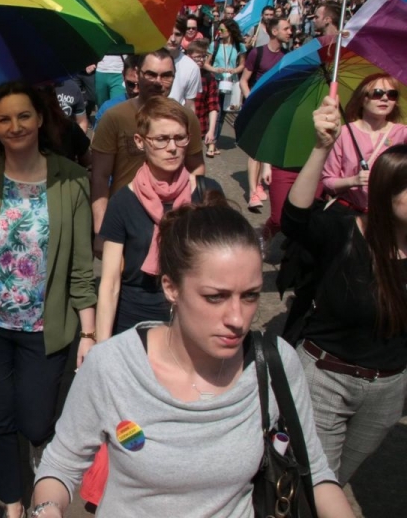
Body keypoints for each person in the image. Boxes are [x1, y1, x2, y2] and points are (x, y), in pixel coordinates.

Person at [29, 202, 355, 518]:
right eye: (215, 297)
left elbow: (316, 472)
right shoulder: (112, 365)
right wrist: (48, 508)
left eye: (250, 295)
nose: (237, 319)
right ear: (171, 288)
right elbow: (60, 465)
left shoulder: (274, 364)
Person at [0, 81, 97, 518]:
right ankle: (13, 503)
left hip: (46, 328)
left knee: (36, 421)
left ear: (40, 118)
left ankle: (42, 456)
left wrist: (89, 333)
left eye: (24, 115)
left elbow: (81, 265)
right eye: (4, 119)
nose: (15, 126)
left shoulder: (71, 179)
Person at [283, 95, 407, 485]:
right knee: (316, 484)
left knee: (336, 481)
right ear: (386, 191)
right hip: (325, 378)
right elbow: (295, 219)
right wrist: (322, 147)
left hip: (387, 392)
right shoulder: (343, 230)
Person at [97, 96, 223, 339]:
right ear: (140, 141)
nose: (172, 147)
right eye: (162, 139)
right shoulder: (122, 202)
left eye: (179, 137)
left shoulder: (207, 193)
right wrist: (102, 347)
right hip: (135, 322)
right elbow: (110, 282)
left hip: (194, 319)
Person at [91, 50, 205, 256]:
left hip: (174, 217)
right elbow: (100, 175)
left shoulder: (186, 118)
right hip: (126, 217)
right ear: (137, 74)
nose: (158, 82)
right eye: (151, 74)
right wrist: (101, 229)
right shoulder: (114, 117)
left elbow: (196, 167)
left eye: (166, 75)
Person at [321, 74, 407, 214]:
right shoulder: (343, 133)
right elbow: (328, 182)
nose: (385, 98)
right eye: (377, 93)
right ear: (362, 99)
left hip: (387, 215)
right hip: (350, 213)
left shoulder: (402, 133)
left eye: (392, 94)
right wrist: (353, 181)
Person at [241, 17, 292, 212]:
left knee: (268, 147)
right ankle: (253, 193)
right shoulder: (258, 53)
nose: (290, 32)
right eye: (286, 29)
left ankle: (260, 184)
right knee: (255, 149)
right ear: (274, 31)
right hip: (257, 107)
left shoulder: (287, 56)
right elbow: (243, 81)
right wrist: (251, 100)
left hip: (276, 108)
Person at [204, 18, 248, 153]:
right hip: (216, 81)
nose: (220, 32)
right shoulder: (215, 45)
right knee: (215, 110)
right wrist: (215, 69)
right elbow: (206, 64)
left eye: (222, 29)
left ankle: (214, 140)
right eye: (219, 29)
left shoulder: (239, 46)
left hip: (230, 82)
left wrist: (234, 70)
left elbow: (242, 65)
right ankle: (211, 141)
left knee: (223, 112)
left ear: (230, 31)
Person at [186, 40, 221, 159]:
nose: (201, 60)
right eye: (197, 57)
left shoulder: (208, 77)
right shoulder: (181, 73)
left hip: (199, 126)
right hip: (181, 125)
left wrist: (211, 131)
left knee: (194, 160)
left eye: (203, 56)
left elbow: (213, 106)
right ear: (188, 56)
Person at [165, 17, 201, 109]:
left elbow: (190, 105)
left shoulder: (192, 67)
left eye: (178, 34)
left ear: (183, 35)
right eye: (169, 34)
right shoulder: (148, 61)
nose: (173, 39)